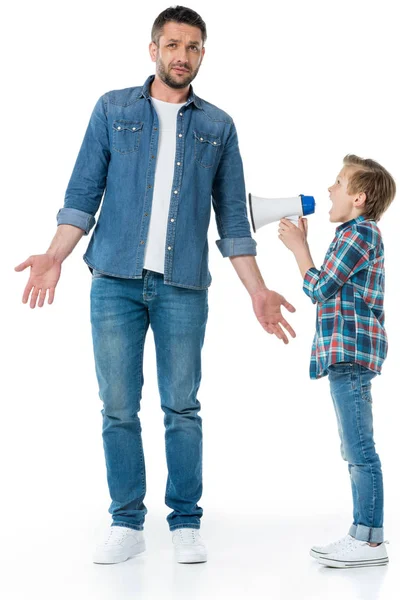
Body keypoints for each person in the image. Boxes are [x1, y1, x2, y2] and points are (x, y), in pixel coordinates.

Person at [15, 6, 295, 565]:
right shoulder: (113, 109)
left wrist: (258, 292)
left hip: (183, 287)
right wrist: (54, 255)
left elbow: (234, 223)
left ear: (202, 54)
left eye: (192, 47)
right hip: (114, 282)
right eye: (172, 45)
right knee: (117, 406)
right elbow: (81, 196)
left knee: (182, 406)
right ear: (153, 50)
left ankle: (186, 521)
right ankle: (127, 521)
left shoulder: (218, 126)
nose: (181, 56)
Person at [278, 154, 395, 568]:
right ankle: (363, 536)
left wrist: (299, 249)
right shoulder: (354, 233)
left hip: (350, 355)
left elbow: (321, 287)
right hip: (346, 355)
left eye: (339, 183)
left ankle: (369, 542)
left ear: (359, 197)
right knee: (354, 447)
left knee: (360, 449)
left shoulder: (359, 234)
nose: (330, 189)